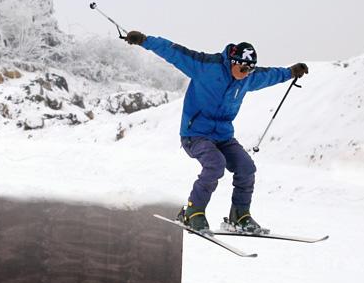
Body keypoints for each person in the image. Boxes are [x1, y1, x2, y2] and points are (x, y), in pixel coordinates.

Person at [124, 30, 308, 233]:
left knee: (246, 167)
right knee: (215, 164)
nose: (246, 73)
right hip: (195, 134)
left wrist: (291, 71)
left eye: (250, 70)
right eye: (243, 68)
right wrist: (144, 40)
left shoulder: (247, 78)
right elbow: (174, 51)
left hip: (223, 136)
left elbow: (271, 75)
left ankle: (239, 216)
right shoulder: (206, 66)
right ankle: (192, 212)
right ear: (233, 60)